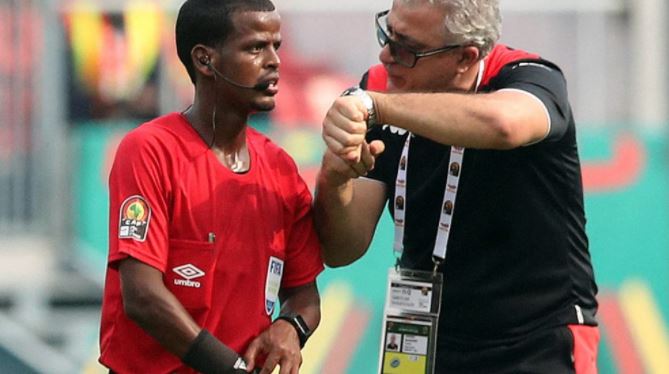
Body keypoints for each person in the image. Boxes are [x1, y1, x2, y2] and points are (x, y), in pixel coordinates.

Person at [314, 0, 599, 372]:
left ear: (465, 58)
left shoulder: (533, 77)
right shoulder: (381, 86)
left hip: (534, 342)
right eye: (387, 33)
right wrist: (334, 179)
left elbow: (504, 125)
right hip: (427, 338)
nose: (386, 55)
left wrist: (378, 107)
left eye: (406, 47)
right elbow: (341, 249)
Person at [98, 1, 323, 373]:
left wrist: (291, 326)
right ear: (205, 60)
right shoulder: (150, 151)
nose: (274, 61)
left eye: (276, 47)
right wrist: (231, 369)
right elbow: (142, 297)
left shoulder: (281, 169)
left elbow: (304, 295)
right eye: (255, 47)